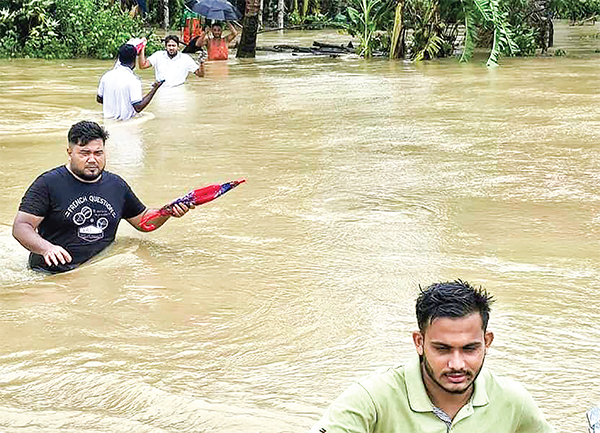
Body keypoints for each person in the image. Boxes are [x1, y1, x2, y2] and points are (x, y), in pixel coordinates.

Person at [309, 280, 555, 433]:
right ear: (420, 342)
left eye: (470, 349)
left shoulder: (512, 401)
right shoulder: (372, 399)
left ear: (487, 342)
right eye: (442, 349)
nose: (457, 364)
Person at [12, 121, 195, 274]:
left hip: (97, 271)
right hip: (50, 275)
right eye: (85, 153)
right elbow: (21, 227)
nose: (92, 159)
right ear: (69, 152)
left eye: (98, 153)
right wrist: (47, 248)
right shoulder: (48, 184)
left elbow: (143, 221)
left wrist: (167, 211)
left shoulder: (116, 185)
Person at [97, 44, 162, 121]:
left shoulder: (106, 76)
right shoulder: (133, 80)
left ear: (119, 58)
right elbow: (138, 107)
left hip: (107, 121)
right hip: (125, 124)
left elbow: (99, 99)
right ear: (134, 59)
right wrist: (154, 89)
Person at [138, 35, 204, 87]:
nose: (171, 48)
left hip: (178, 90)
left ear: (178, 47)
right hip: (161, 89)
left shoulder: (186, 58)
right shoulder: (158, 55)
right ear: (165, 47)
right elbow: (142, 66)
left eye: (173, 46)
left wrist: (201, 63)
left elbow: (200, 74)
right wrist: (142, 47)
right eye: (169, 46)